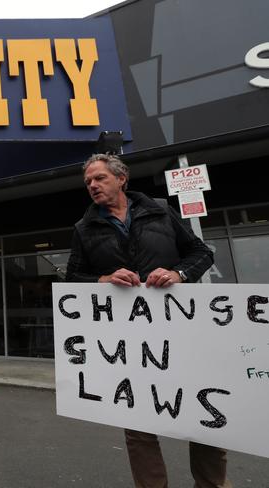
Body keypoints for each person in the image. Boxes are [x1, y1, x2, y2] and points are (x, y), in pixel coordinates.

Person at [65, 154, 230, 488]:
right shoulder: (83, 229)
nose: (93, 186)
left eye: (99, 178)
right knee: (139, 425)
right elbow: (72, 278)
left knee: (203, 414)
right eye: (88, 182)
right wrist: (104, 279)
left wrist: (178, 273)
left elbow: (201, 252)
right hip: (128, 342)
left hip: (181, 330)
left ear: (121, 178)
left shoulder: (160, 210)